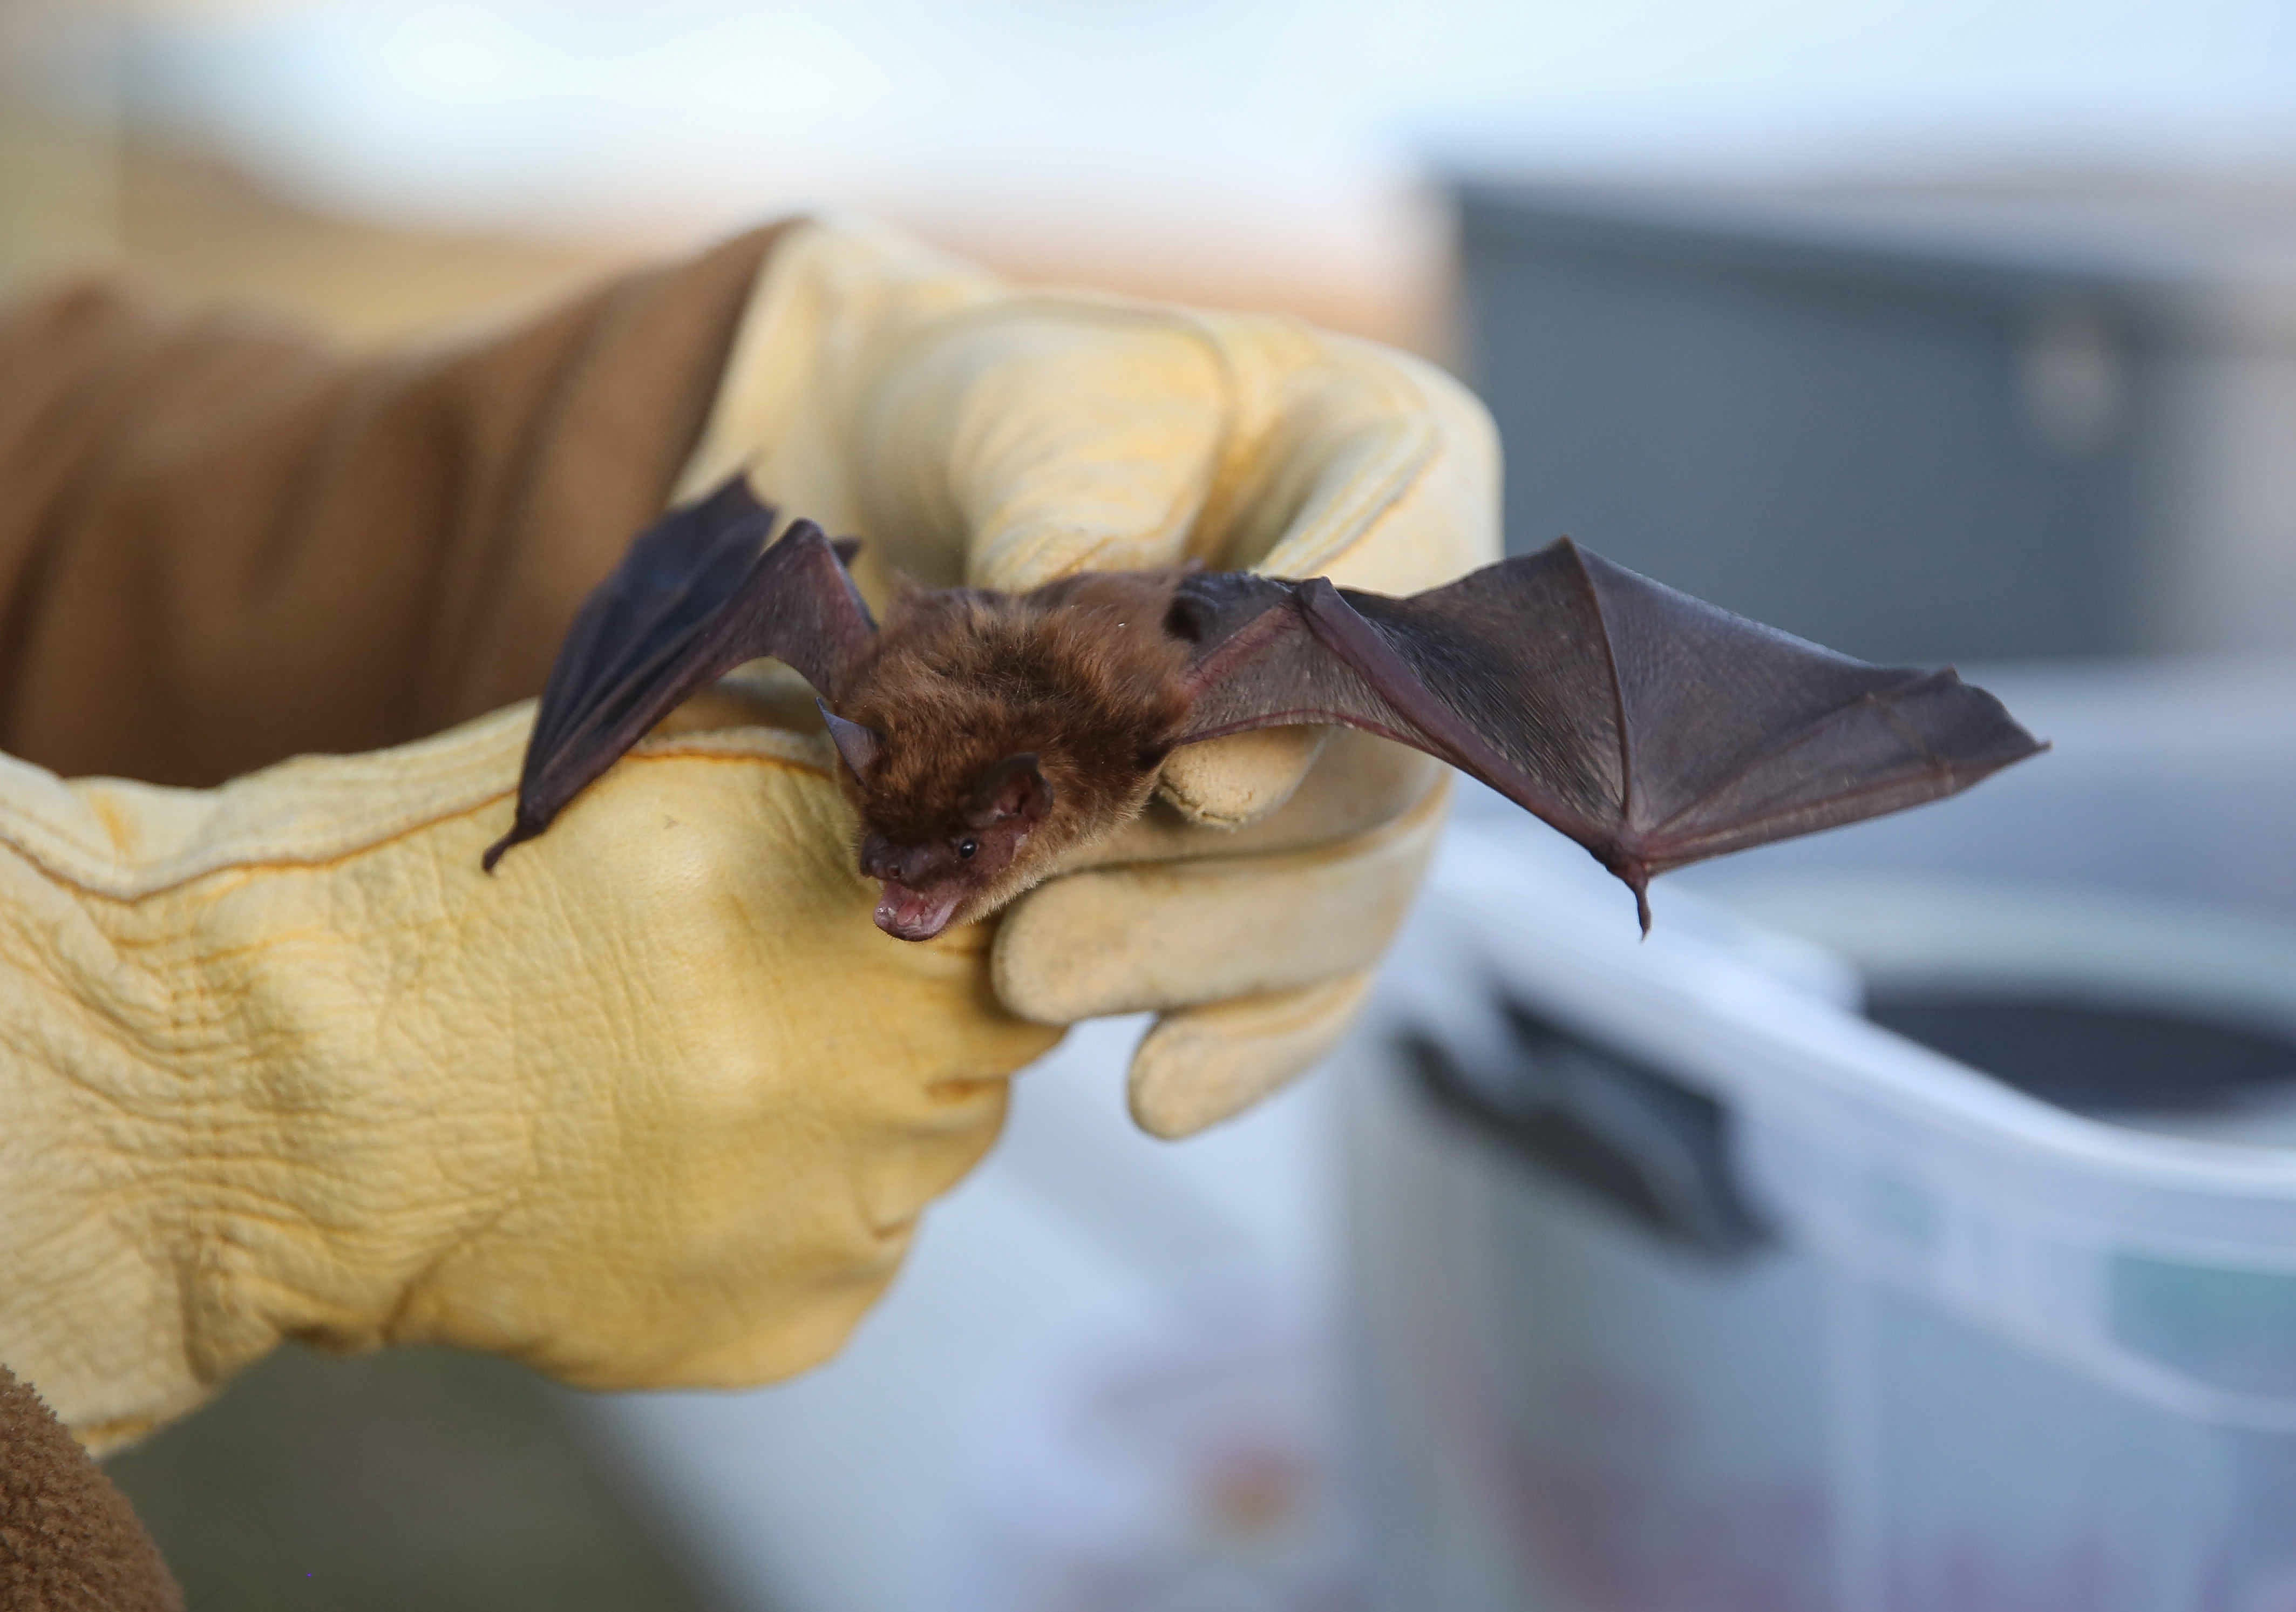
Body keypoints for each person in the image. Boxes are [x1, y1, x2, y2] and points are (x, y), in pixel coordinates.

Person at [0, 217, 1499, 1456]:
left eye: (934, 866)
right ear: (853, 745)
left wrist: (678, 405)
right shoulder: (864, 697)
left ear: (1024, 818)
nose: (897, 895)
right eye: (886, 853)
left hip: (1175, 647)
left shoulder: (1156, 719)